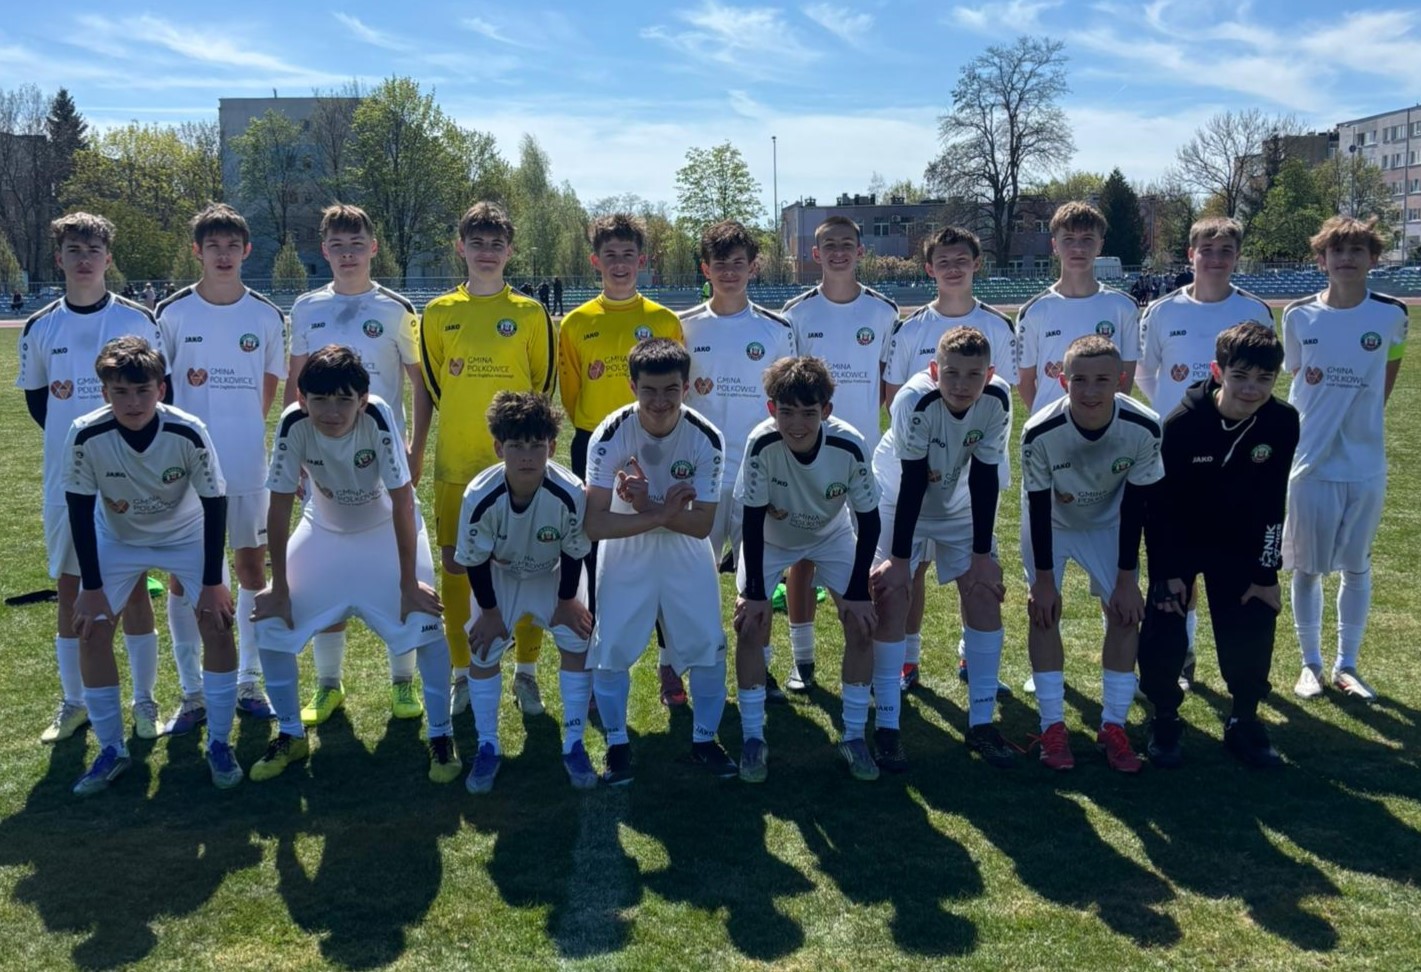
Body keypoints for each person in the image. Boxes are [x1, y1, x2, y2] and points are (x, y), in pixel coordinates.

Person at [250, 346, 453, 782]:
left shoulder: (377, 416)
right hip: (323, 531)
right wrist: (279, 587)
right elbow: (279, 507)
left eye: (344, 400)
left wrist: (408, 583)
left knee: (426, 621)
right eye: (320, 399)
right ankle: (290, 733)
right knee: (270, 621)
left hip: (386, 532)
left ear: (362, 400)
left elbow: (403, 502)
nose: (332, 411)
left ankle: (441, 735)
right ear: (301, 398)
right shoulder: (293, 422)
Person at [64, 336, 239, 794]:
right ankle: (111, 749)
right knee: (91, 629)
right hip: (118, 539)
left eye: (143, 390)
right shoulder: (85, 433)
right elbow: (79, 509)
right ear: (105, 392)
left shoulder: (188, 430)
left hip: (186, 536)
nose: (133, 402)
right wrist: (91, 588)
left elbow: (215, 503)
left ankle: (220, 743)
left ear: (161, 389)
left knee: (218, 624)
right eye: (120, 392)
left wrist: (213, 582)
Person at [17, 212, 162, 745]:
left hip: (128, 477)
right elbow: (39, 402)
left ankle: (145, 701)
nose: (84, 259)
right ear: (59, 258)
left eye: (93, 250)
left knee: (136, 590)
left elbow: (157, 393)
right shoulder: (40, 326)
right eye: (74, 250)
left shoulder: (137, 319)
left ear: (108, 258)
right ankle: (74, 702)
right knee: (70, 588)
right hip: (65, 479)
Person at [286, 203, 428, 726]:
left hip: (382, 465)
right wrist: (296, 454)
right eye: (337, 246)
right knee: (326, 568)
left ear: (373, 247)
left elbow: (419, 386)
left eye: (356, 244)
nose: (348, 254)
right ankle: (328, 683)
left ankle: (403, 682)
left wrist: (414, 449)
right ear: (324, 251)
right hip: (323, 464)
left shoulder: (396, 307)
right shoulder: (306, 307)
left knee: (397, 569)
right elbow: (295, 384)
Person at [1138, 323, 1298, 768]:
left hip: (1239, 543)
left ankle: (1244, 719)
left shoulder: (1282, 421)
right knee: (1165, 620)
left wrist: (1266, 574)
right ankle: (1164, 716)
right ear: (1217, 371)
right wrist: (1167, 574)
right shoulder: (1181, 424)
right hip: (1183, 539)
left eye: (1264, 379)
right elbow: (1160, 508)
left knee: (1253, 618)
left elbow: (1273, 500)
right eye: (1240, 376)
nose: (1251, 389)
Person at [421, 202, 555, 718]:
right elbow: (436, 385)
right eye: (476, 243)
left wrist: (523, 446)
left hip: (518, 466)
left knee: (526, 564)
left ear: (510, 251)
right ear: (461, 247)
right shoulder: (438, 312)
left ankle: (526, 672)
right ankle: (462, 672)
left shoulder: (529, 313)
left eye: (496, 244)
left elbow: (541, 387)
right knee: (457, 567)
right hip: (457, 461)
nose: (486, 252)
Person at [158, 202, 285, 733]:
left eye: (233, 246)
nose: (224, 255)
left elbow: (269, 391)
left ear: (247, 250)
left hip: (246, 466)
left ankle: (249, 682)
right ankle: (192, 693)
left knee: (252, 569)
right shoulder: (172, 313)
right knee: (183, 577)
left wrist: (241, 432)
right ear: (198, 251)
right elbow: (161, 390)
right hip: (184, 471)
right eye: (214, 246)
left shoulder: (266, 315)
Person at [584, 338, 734, 784]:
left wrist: (648, 507)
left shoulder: (706, 437)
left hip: (685, 550)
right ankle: (617, 745)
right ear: (632, 386)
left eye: (671, 389)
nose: (660, 401)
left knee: (707, 644)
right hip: (626, 548)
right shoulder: (610, 433)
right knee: (612, 648)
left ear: (686, 387)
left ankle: (705, 740)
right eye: (648, 390)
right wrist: (659, 512)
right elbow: (595, 524)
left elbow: (702, 525)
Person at [1135, 216, 1272, 691]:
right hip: (1175, 459)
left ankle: (1241, 676)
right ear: (1190, 254)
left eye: (1226, 250)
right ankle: (1183, 656)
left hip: (1235, 460)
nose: (1216, 259)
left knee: (1229, 566)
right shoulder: (1162, 311)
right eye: (1206, 250)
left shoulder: (1254, 311)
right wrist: (1180, 418)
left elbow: (1264, 380)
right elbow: (1146, 374)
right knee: (1174, 565)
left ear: (1237, 256)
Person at [880, 225, 1017, 694]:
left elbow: (995, 404)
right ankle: (906, 662)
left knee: (978, 573)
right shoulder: (911, 328)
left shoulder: (998, 326)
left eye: (962, 259)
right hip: (909, 471)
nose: (954, 268)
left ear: (977, 264)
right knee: (906, 570)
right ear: (929, 268)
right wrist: (931, 447)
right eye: (944, 260)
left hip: (969, 470)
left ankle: (973, 662)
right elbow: (897, 401)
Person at [871, 327, 1013, 772]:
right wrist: (898, 560)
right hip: (898, 495)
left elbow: (986, 475)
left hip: (958, 499)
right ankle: (887, 726)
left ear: (990, 374)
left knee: (984, 590)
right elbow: (913, 479)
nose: (961, 384)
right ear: (934, 370)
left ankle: (982, 722)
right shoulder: (913, 400)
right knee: (892, 594)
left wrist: (982, 557)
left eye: (974, 375)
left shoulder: (998, 399)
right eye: (951, 373)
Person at [732, 356, 881, 782]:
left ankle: (854, 735)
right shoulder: (761, 443)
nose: (797, 424)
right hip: (771, 539)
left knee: (861, 625)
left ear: (826, 411)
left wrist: (858, 593)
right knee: (750, 625)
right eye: (787, 412)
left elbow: (869, 522)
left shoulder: (850, 445)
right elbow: (751, 520)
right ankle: (752, 737)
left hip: (831, 535)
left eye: (808, 413)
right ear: (771, 409)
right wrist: (755, 592)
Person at [1021, 335, 1163, 773]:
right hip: (1052, 523)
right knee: (1044, 612)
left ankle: (1113, 726)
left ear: (1121, 380)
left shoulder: (1144, 426)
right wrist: (1044, 581)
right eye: (1079, 380)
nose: (1090, 390)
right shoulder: (1040, 431)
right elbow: (1038, 507)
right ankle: (1052, 726)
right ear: (1063, 381)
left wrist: (1126, 579)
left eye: (1102, 379)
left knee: (1124, 613)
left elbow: (1138, 504)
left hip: (1109, 522)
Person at [557, 213, 683, 699]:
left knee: (662, 546)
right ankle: (596, 662)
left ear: (642, 260)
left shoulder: (663, 321)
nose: (619, 264)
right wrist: (603, 435)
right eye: (609, 255)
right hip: (595, 445)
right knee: (595, 553)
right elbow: (572, 397)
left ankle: (670, 664)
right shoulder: (576, 322)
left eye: (628, 255)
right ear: (595, 261)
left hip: (656, 443)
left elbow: (675, 390)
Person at [1283, 216, 1408, 702]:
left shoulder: (1391, 315)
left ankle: (1347, 664)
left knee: (1357, 565)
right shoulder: (1298, 316)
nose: (1347, 259)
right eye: (1337, 251)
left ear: (1373, 259)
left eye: (1357, 250)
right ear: (1322, 260)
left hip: (1365, 463)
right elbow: (1298, 379)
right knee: (1307, 568)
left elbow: (1386, 380)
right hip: (1309, 461)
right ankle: (1310, 663)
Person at [776, 215, 897, 695]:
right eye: (830, 245)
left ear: (861, 252)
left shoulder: (884, 312)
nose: (839, 252)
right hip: (806, 452)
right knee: (802, 554)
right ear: (816, 254)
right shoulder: (796, 313)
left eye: (848, 244)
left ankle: (868, 657)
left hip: (862, 456)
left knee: (864, 553)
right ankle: (802, 660)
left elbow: (888, 386)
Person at [679, 219, 797, 703]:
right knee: (696, 578)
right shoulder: (684, 327)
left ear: (754, 267)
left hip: (759, 474)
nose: (729, 272)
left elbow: (789, 405)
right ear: (705, 268)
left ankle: (761, 668)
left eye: (738, 263)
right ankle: (698, 665)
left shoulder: (778, 330)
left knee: (759, 580)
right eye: (719, 263)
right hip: (702, 476)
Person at [455, 391, 596, 792]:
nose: (528, 456)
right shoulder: (478, 496)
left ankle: (574, 743)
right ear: (499, 448)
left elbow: (574, 550)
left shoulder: (571, 491)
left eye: (537, 445)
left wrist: (567, 602)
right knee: (483, 649)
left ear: (552, 447)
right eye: (517, 445)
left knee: (578, 642)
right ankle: (487, 745)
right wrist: (489, 613)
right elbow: (475, 560)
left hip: (554, 575)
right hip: (500, 576)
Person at [1016, 201, 1141, 415]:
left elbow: (1126, 377)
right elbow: (1024, 379)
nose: (1078, 248)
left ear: (1100, 245)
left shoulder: (1124, 307)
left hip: (1106, 426)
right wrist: (1044, 419)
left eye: (1087, 239)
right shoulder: (1034, 311)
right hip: (1051, 428)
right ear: (1054, 245)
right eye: (1068, 239)